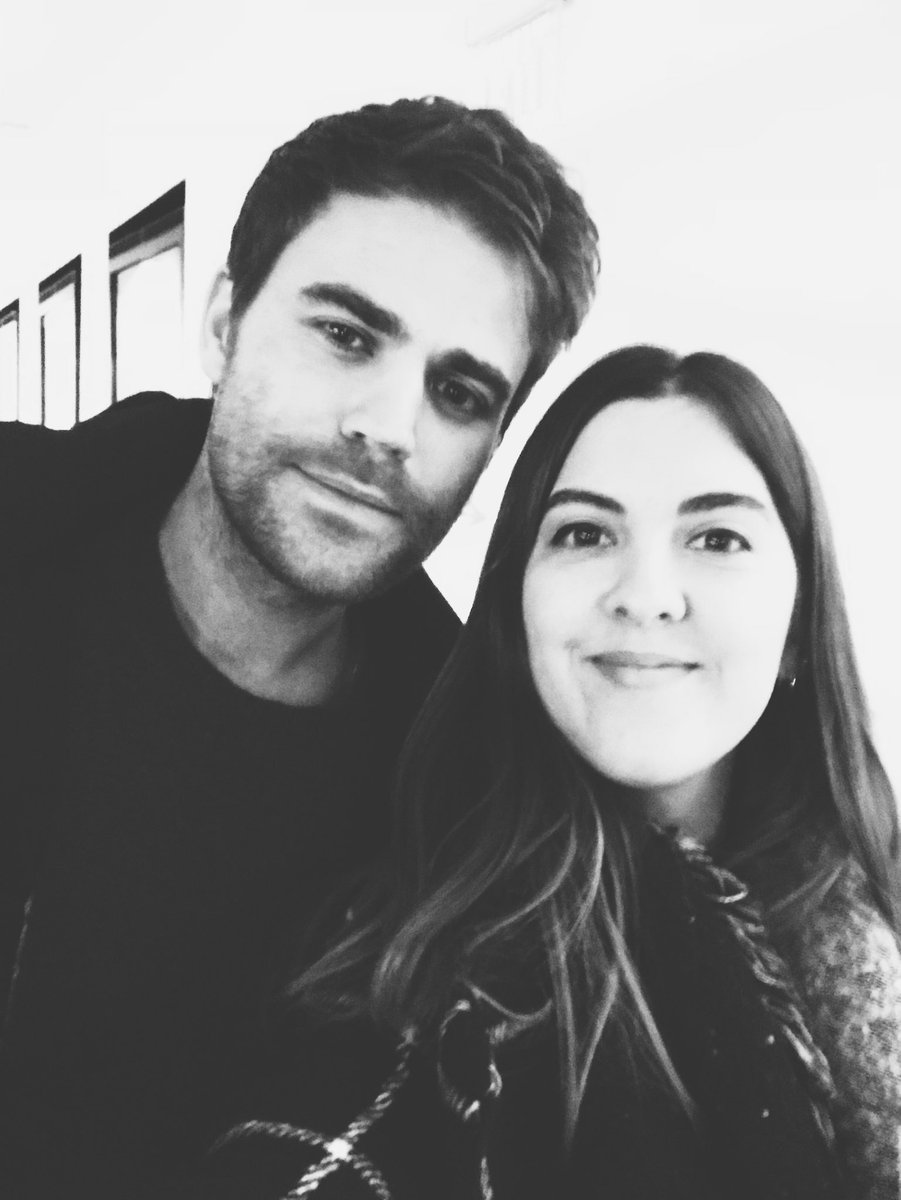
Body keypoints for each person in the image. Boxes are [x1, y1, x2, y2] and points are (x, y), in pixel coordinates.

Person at [0, 96, 599, 1196]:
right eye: (346, 335)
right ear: (222, 324)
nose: (388, 426)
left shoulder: (459, 810)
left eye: (458, 391)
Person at [191, 345, 899, 1199]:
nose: (645, 594)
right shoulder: (393, 987)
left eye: (716, 538)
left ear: (795, 622)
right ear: (516, 604)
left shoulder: (873, 898)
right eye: (584, 533)